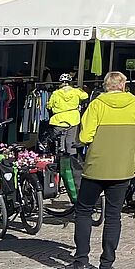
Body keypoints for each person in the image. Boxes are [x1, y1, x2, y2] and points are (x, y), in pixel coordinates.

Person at [65, 71, 135, 269]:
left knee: (83, 212)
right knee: (113, 216)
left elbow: (85, 136)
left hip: (96, 168)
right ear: (123, 85)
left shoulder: (97, 104)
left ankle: (81, 261)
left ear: (106, 86)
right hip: (122, 169)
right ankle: (106, 265)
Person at [44, 73, 88, 204]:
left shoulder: (56, 93)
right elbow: (85, 96)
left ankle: (58, 166)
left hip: (58, 120)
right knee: (71, 144)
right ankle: (72, 167)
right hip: (73, 119)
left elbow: (49, 105)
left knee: (58, 145)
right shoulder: (75, 91)